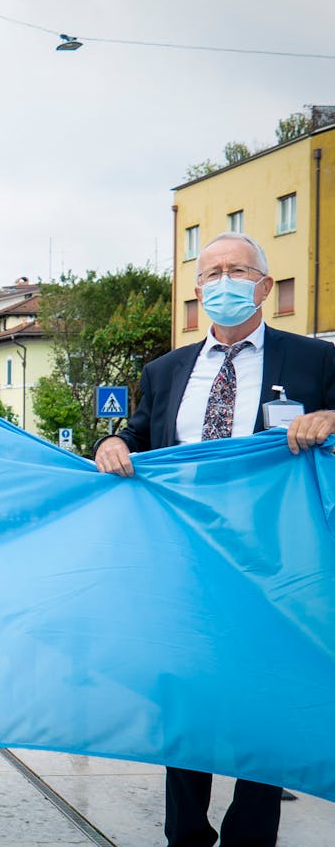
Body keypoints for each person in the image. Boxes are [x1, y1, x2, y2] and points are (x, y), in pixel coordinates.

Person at [93, 231, 335, 847]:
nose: (224, 281)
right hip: (185, 561)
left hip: (275, 563)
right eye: (212, 273)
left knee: (264, 698)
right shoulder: (166, 369)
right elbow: (139, 437)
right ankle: (186, 834)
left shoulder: (314, 360)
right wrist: (112, 442)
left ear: (262, 281)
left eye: (237, 270)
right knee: (187, 703)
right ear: (198, 290)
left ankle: (252, 834)